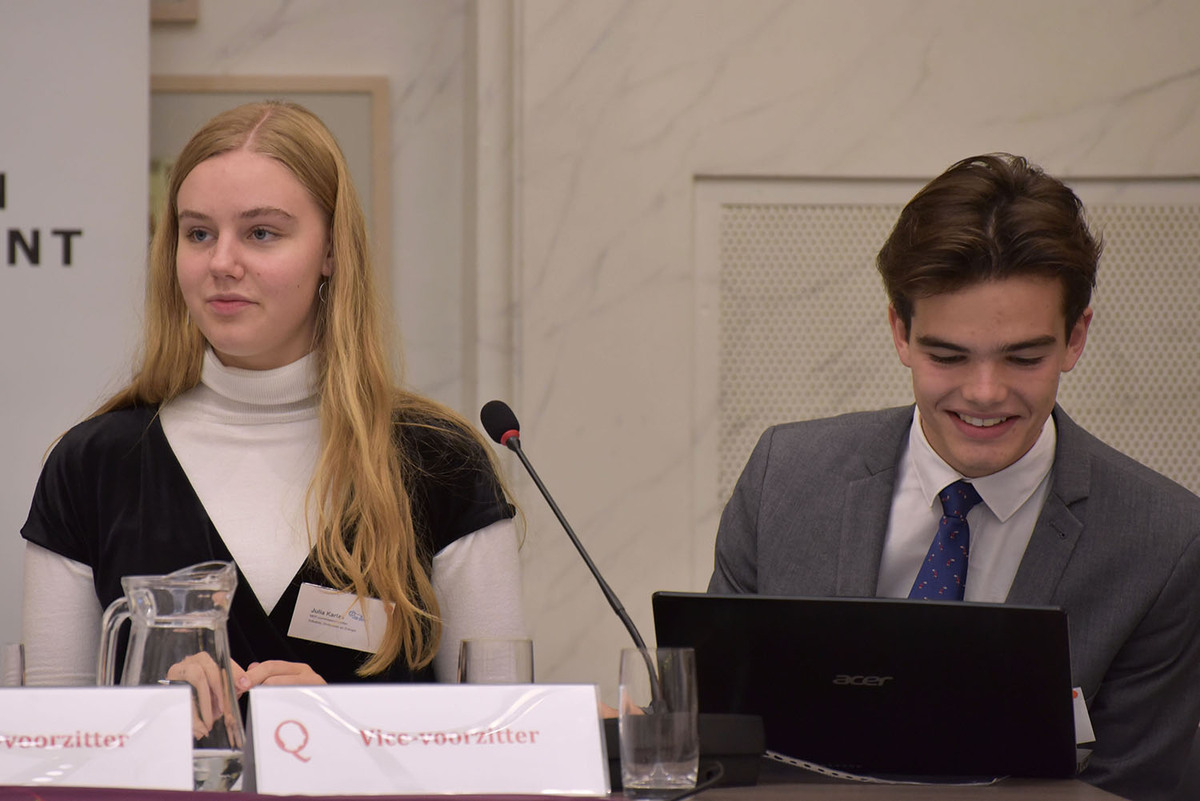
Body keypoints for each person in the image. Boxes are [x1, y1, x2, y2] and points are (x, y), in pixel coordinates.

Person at [709, 153, 1200, 801]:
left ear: (1075, 338)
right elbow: (719, 742)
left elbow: (1139, 788)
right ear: (900, 332)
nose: (985, 393)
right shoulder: (784, 478)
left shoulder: (1164, 540)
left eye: (1024, 357)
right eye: (948, 356)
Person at [21, 101, 525, 693]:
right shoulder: (92, 466)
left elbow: (501, 739)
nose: (222, 262)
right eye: (198, 233)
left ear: (331, 252)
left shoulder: (439, 460)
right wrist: (151, 725)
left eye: (261, 233)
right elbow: (50, 753)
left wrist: (336, 735)